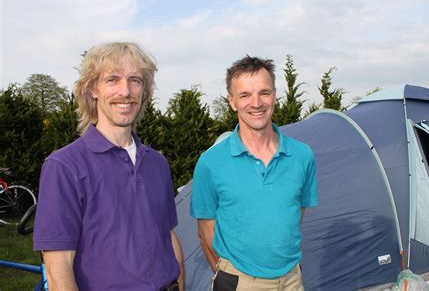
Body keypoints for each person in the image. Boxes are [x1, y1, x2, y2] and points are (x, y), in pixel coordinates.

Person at [33, 42, 185, 290]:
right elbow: (58, 266)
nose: (125, 91)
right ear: (92, 89)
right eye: (112, 79)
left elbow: (168, 236)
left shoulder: (157, 163)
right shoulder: (64, 166)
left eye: (135, 80)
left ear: (144, 91)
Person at [190, 56, 317, 290]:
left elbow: (294, 214)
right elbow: (205, 229)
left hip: (292, 280)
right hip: (239, 281)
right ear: (232, 101)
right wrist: (227, 275)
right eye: (245, 95)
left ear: (275, 95)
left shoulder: (302, 156)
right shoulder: (210, 163)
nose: (256, 103)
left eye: (264, 93)